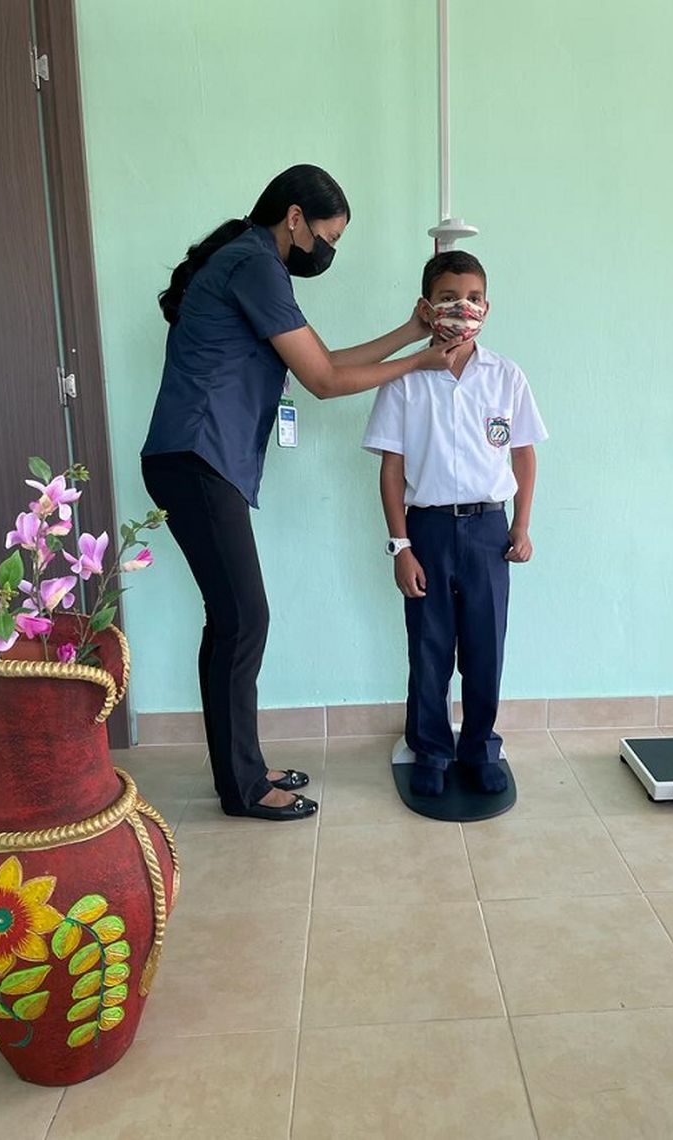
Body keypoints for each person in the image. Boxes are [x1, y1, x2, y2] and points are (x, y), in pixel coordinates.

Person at [141, 165, 461, 821]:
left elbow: (329, 360)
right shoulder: (253, 264)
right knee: (242, 618)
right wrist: (424, 360)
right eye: (326, 235)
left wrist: (410, 330)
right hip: (195, 456)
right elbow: (322, 382)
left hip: (199, 460)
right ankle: (242, 786)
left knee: (232, 620)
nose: (327, 251)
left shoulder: (255, 264)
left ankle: (242, 769)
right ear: (294, 218)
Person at [362, 250, 547, 796]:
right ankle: (432, 750)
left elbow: (523, 456)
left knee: (486, 647)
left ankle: (480, 746)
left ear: (487, 307)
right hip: (429, 532)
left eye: (471, 298)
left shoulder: (505, 376)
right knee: (430, 647)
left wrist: (522, 524)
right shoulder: (404, 379)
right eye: (447, 298)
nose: (460, 308)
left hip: (490, 532)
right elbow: (392, 471)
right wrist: (401, 547)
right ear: (426, 307)